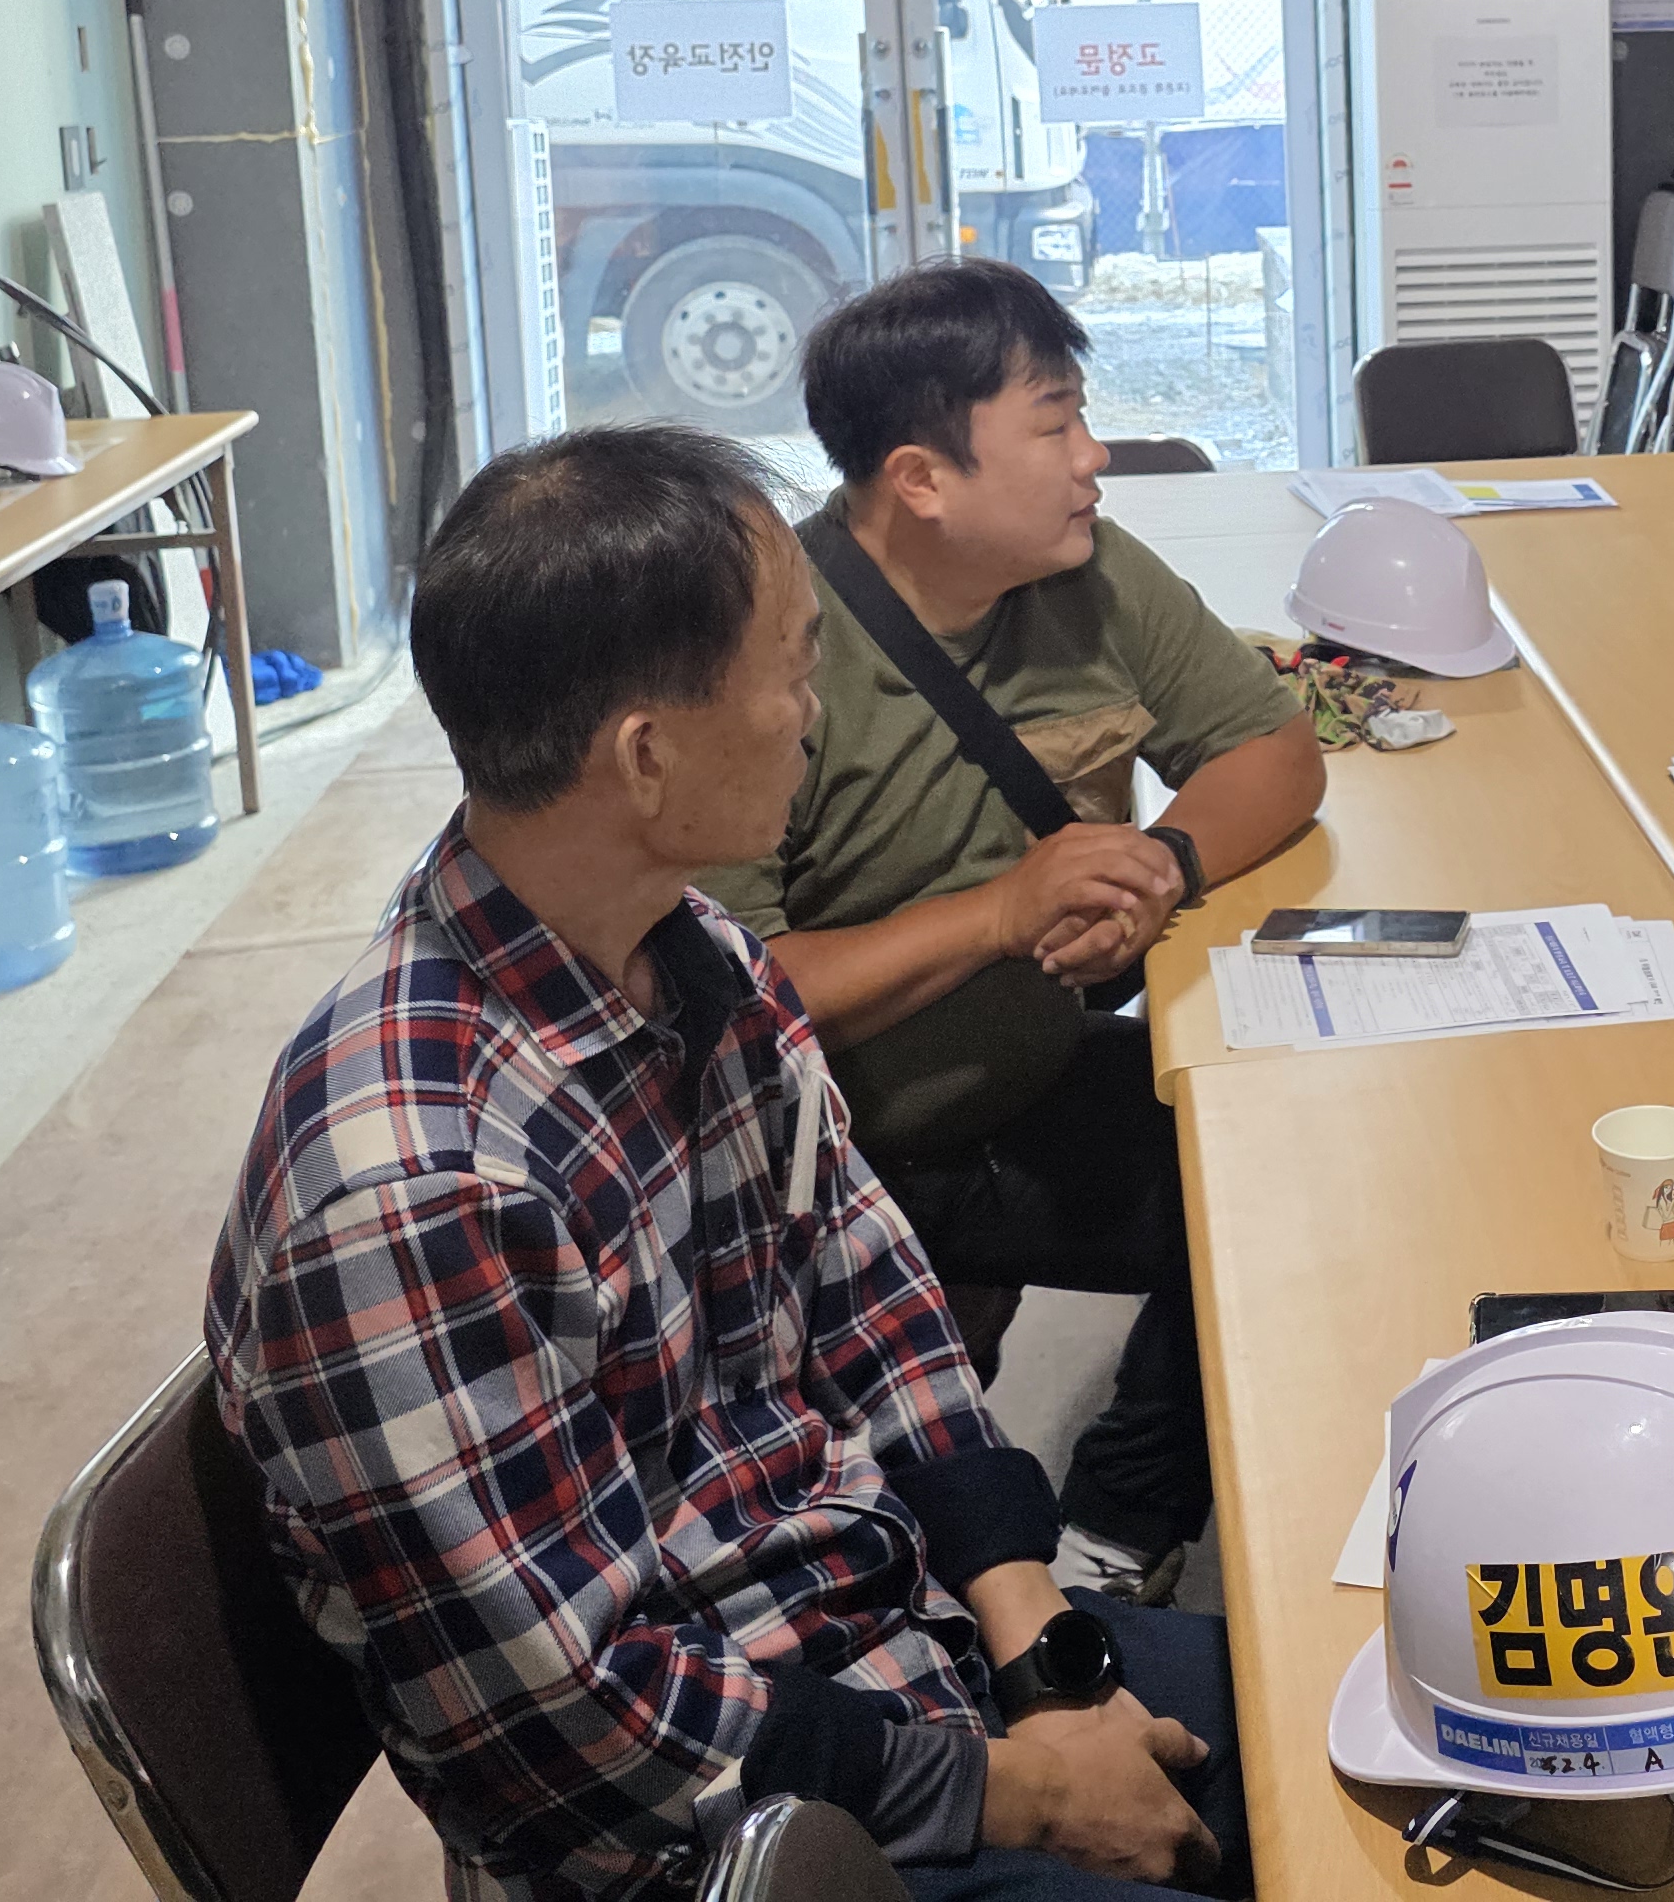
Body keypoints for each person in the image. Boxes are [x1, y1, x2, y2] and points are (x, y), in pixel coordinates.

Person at [207, 425, 1248, 1900]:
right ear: (648, 755)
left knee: (1372, 1738)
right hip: (723, 1831)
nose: (813, 717)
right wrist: (1016, 1791)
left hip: (893, 1645)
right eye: (795, 671)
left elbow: (869, 1291)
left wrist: (1044, 1653)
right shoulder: (415, 1187)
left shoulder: (690, 952)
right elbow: (575, 1725)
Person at [727, 261, 1324, 1604]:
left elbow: (1274, 752)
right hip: (850, 1164)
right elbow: (735, 992)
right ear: (920, 479)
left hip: (1032, 1077)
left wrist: (1158, 868)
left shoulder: (1086, 570)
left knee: (1286, 1165)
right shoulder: (768, 650)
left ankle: (1118, 1520)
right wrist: (1003, 915)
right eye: (1054, 424)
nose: (1093, 456)